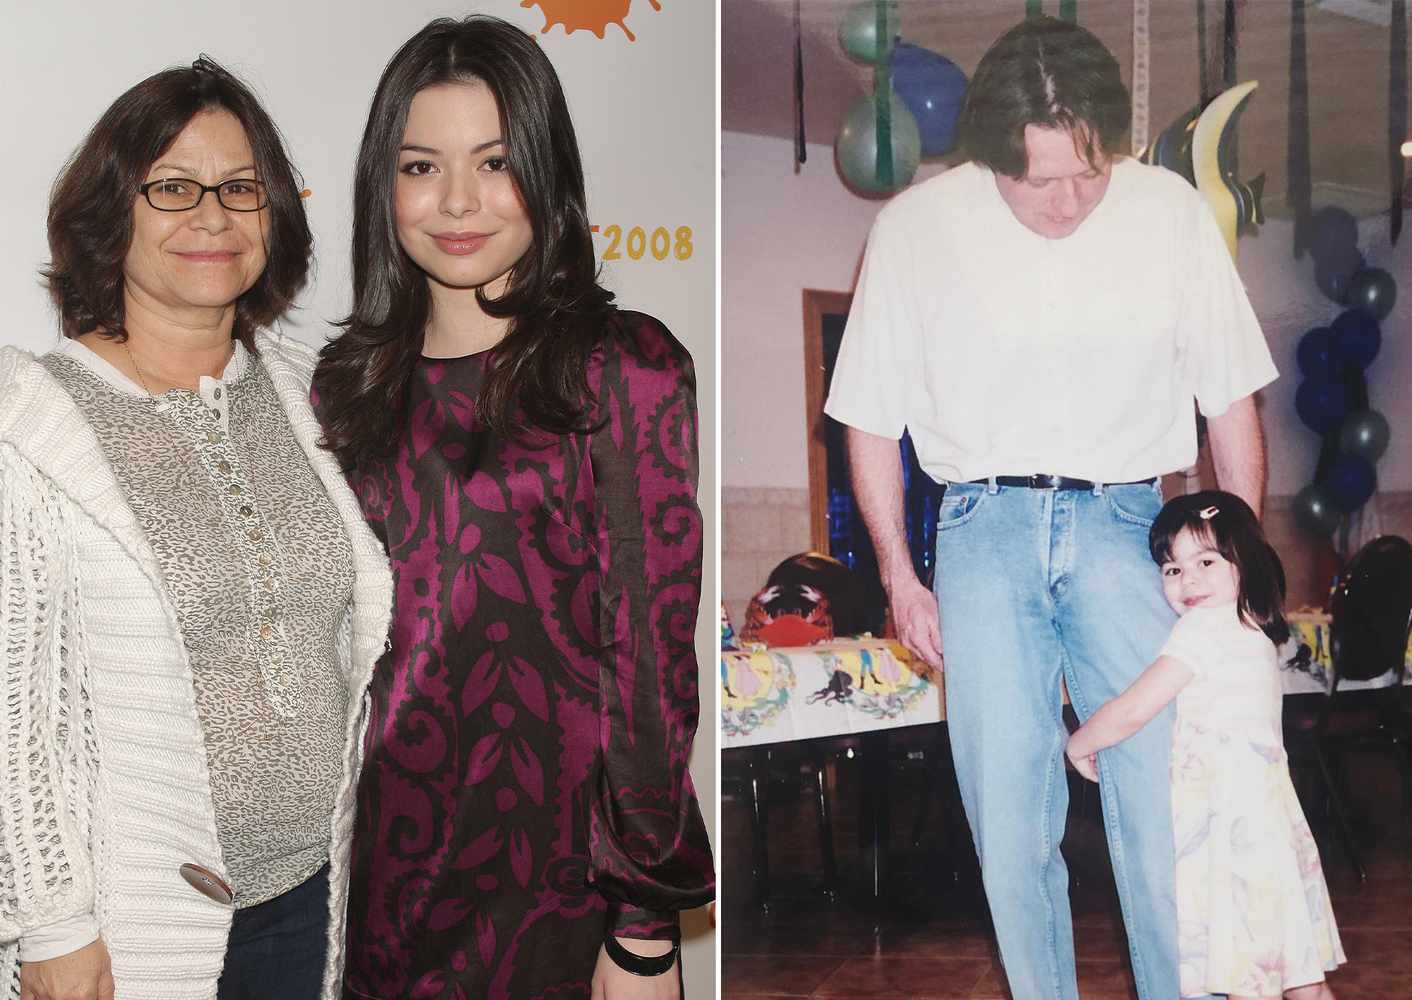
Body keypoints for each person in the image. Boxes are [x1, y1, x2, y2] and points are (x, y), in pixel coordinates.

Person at [823, 16, 1278, 1000]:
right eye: (1040, 181)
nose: (1071, 201)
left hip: (1131, 528)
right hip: (983, 532)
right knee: (1010, 818)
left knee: (1163, 800)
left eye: (1090, 172)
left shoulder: (1168, 213)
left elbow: (1231, 397)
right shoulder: (913, 228)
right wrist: (902, 575)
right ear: (992, 157)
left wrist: (1242, 557)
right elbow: (867, 418)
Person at [0, 58, 392, 1000]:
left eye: (241, 187)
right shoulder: (29, 420)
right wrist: (52, 931)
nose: (213, 215)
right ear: (111, 212)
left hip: (310, 899)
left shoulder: (303, 394)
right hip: (120, 938)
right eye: (172, 187)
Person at [311, 16, 714, 1000]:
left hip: (558, 883)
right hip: (382, 878)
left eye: (494, 162)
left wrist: (643, 927)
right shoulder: (343, 387)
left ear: (546, 169)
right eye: (420, 166)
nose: (456, 201)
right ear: (384, 185)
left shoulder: (623, 368)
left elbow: (650, 667)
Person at [1066, 492, 1344, 1000]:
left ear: (1245, 565)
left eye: (1205, 562)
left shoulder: (1201, 629)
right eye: (1171, 569)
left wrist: (1078, 742)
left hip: (1227, 832)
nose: (1187, 579)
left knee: (1242, 973)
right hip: (1268, 827)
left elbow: (1133, 708)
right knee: (1296, 974)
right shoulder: (1255, 631)